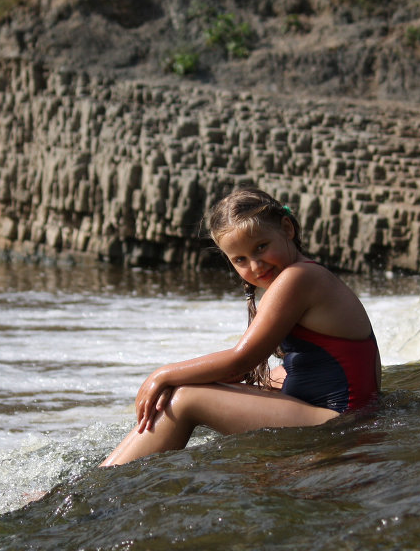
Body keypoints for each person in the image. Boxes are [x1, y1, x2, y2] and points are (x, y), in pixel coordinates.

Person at [101, 187, 381, 467]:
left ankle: (102, 485)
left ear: (287, 228)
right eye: (240, 260)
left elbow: (242, 361)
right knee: (207, 383)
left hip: (341, 422)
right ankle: (110, 469)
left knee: (186, 398)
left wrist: (161, 375)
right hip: (346, 414)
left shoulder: (299, 278)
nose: (256, 265)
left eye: (261, 247)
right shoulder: (304, 274)